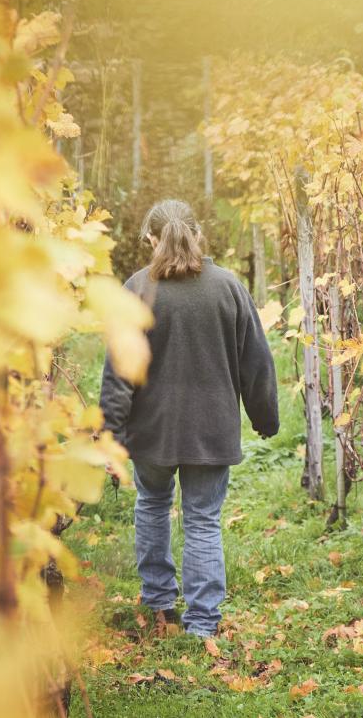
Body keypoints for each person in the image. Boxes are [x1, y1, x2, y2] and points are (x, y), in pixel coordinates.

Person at [99, 199, 279, 638]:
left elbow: (120, 371)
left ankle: (160, 604)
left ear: (151, 240)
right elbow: (256, 361)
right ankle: (201, 623)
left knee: (153, 505)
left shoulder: (138, 289)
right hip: (211, 431)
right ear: (198, 235)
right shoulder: (228, 287)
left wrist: (111, 433)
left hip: (153, 431)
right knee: (201, 520)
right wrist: (265, 417)